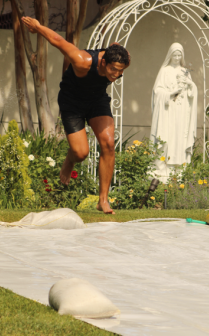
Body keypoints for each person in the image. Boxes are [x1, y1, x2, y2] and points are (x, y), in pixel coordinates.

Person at [21, 16, 130, 215]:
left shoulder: (119, 57)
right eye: (113, 70)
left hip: (96, 100)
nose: (116, 75)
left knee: (108, 143)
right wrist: (38, 28)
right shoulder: (83, 61)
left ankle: (103, 200)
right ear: (103, 62)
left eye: (120, 72)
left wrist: (117, 51)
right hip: (72, 103)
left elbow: (116, 47)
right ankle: (69, 160)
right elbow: (59, 41)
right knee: (81, 153)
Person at [151, 43, 197, 177]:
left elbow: (192, 93)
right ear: (170, 55)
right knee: (167, 137)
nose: (177, 58)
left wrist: (190, 85)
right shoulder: (164, 71)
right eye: (175, 55)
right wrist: (171, 93)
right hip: (168, 110)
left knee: (179, 137)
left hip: (181, 111)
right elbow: (157, 91)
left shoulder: (184, 71)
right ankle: (163, 167)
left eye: (179, 55)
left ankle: (178, 167)